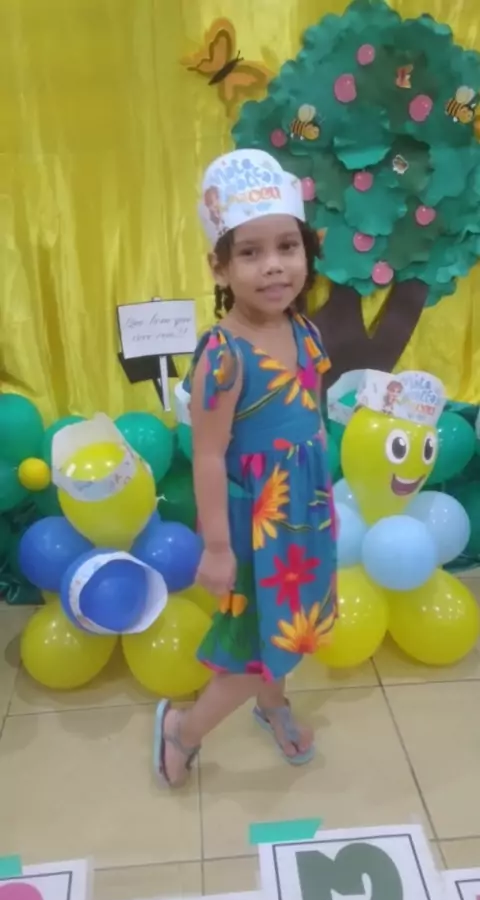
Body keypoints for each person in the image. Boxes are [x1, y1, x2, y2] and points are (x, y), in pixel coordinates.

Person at [153, 149, 337, 787]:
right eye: (251, 253)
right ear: (220, 267)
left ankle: (272, 703)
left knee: (289, 627)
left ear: (307, 252)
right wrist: (216, 548)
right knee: (250, 649)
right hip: (252, 527)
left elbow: (310, 418)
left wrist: (319, 494)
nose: (274, 266)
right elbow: (207, 454)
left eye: (287, 246)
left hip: (302, 514)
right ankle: (182, 729)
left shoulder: (306, 332)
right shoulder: (224, 358)